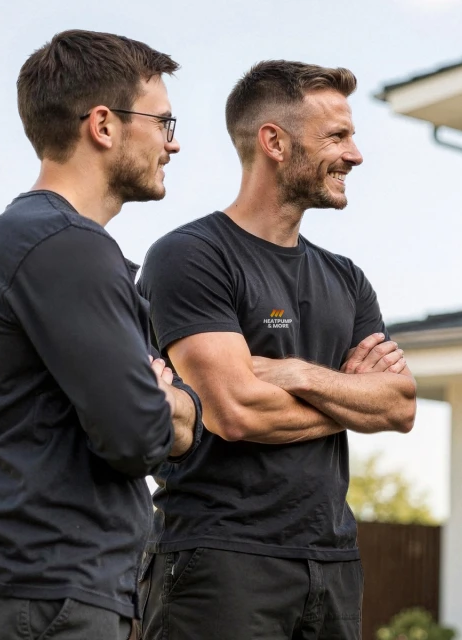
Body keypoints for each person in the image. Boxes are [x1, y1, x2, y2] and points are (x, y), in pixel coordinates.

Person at [135, 60, 417, 640]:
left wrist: (294, 373)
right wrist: (347, 395)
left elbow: (400, 407)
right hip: (221, 559)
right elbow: (236, 412)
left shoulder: (347, 278)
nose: (355, 155)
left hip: (334, 562)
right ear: (274, 142)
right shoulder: (191, 257)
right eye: (337, 136)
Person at [0, 30, 198, 639]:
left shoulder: (36, 241)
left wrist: (169, 399)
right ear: (104, 126)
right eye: (163, 122)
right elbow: (138, 437)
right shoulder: (67, 247)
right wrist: (176, 401)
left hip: (30, 593)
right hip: (35, 599)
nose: (174, 142)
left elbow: (156, 421)